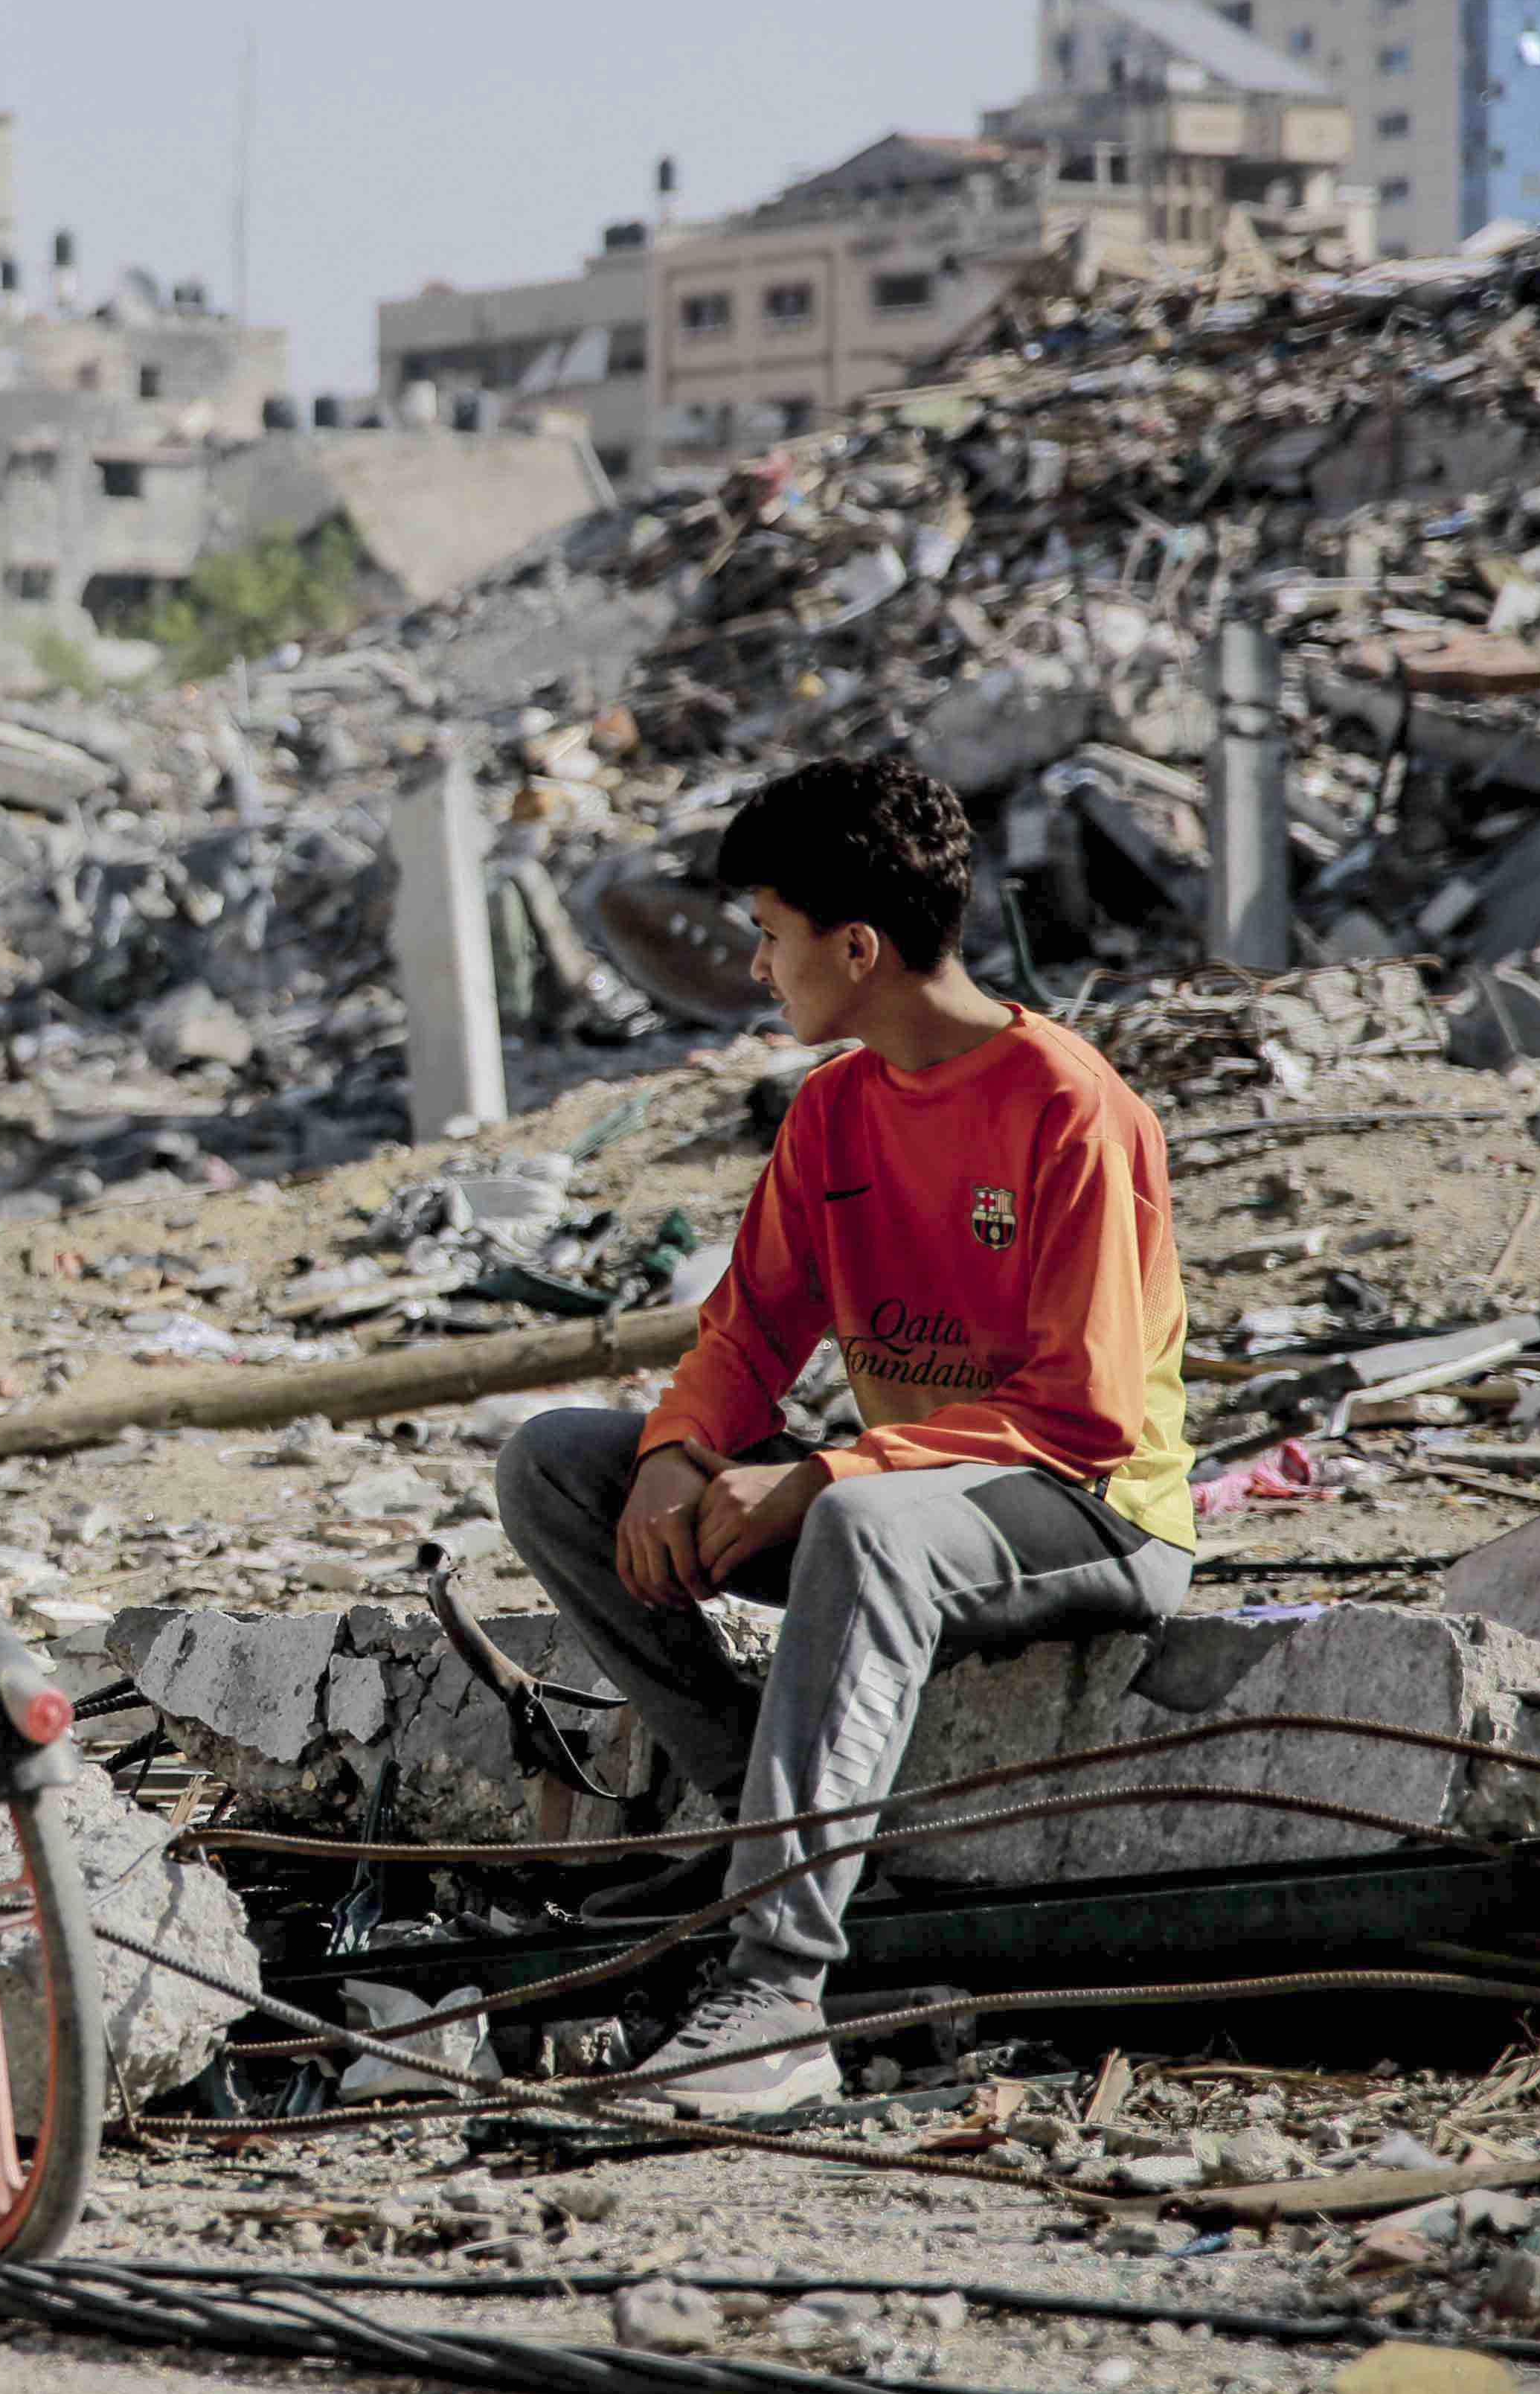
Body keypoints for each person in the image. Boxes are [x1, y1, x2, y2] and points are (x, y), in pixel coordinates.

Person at [495, 752, 1196, 2113]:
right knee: (555, 1465)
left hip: (1092, 1512)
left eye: (769, 936)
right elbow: (749, 1330)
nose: (758, 968)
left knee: (868, 1529)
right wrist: (674, 1457)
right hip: (906, 1504)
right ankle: (758, 1808)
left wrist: (820, 1475)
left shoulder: (1069, 1107)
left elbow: (1085, 1409)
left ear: (856, 947)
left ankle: (773, 1996)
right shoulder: (834, 1112)